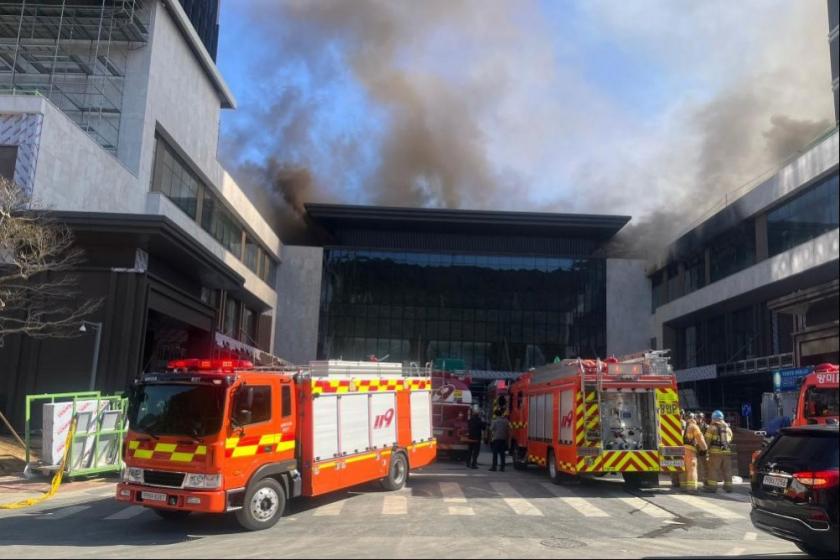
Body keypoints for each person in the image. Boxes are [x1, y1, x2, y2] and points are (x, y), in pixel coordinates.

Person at [703, 410, 734, 493]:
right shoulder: (727, 428)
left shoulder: (712, 427)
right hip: (726, 452)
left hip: (715, 452)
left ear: (713, 418)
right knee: (727, 470)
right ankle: (728, 487)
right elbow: (730, 439)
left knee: (713, 469)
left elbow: (707, 440)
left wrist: (704, 450)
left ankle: (712, 487)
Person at [680, 413, 707, 493]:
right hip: (690, 451)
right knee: (692, 469)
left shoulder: (684, 426)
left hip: (681, 450)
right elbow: (700, 438)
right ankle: (692, 488)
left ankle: (683, 486)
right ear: (694, 418)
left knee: (683, 469)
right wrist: (704, 448)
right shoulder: (694, 426)